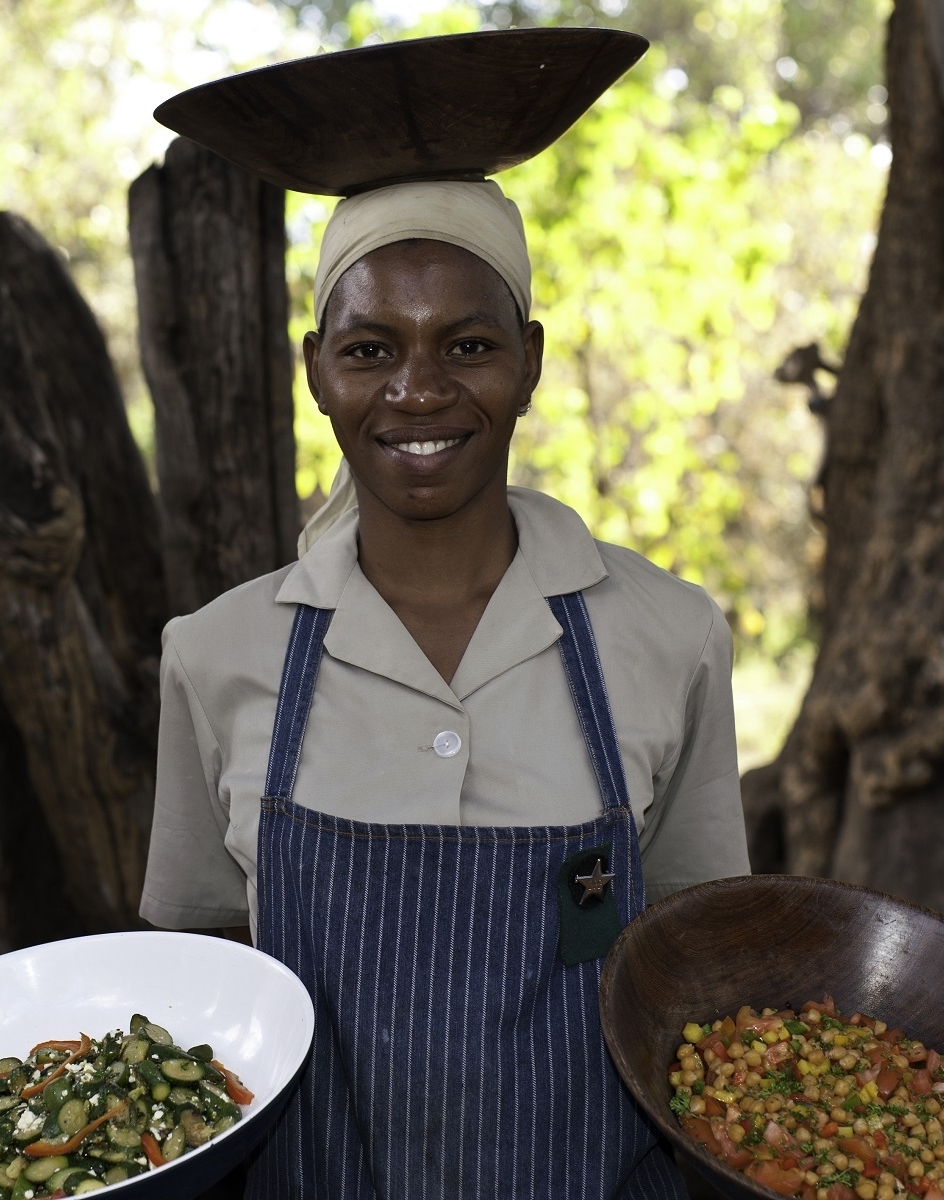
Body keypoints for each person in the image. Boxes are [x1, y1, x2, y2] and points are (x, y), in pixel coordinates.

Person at [142, 97, 749, 1200]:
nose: (417, 390)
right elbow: (204, 975)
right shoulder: (217, 653)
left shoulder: (671, 635)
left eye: (467, 346)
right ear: (316, 370)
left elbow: (700, 955)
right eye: (370, 349)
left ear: (530, 360)